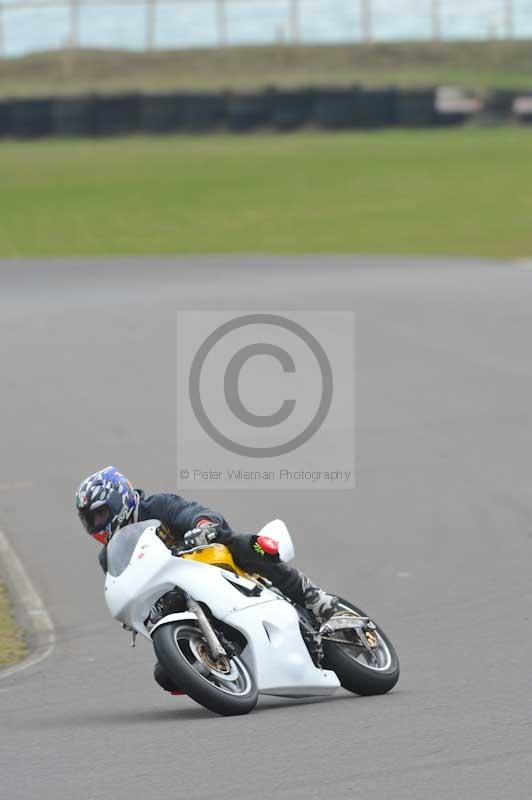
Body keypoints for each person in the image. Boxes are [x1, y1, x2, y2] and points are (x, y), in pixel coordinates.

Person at [76, 466, 340, 692]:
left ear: (119, 500)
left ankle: (313, 597)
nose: (97, 524)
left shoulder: (156, 506)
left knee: (244, 544)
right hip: (173, 595)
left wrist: (202, 525)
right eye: (91, 520)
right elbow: (125, 583)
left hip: (207, 560)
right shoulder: (108, 557)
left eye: (100, 514)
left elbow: (191, 512)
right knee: (164, 673)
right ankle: (217, 665)